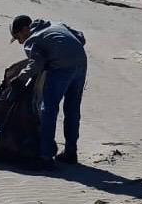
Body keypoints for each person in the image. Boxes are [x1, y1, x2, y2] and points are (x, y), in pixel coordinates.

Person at [10, 14, 88, 167]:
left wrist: (20, 79)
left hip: (61, 68)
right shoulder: (56, 24)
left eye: (18, 37)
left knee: (49, 109)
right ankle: (71, 153)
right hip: (81, 62)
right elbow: (81, 37)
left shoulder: (33, 39)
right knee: (72, 109)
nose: (20, 42)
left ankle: (45, 157)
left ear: (25, 29)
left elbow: (36, 64)